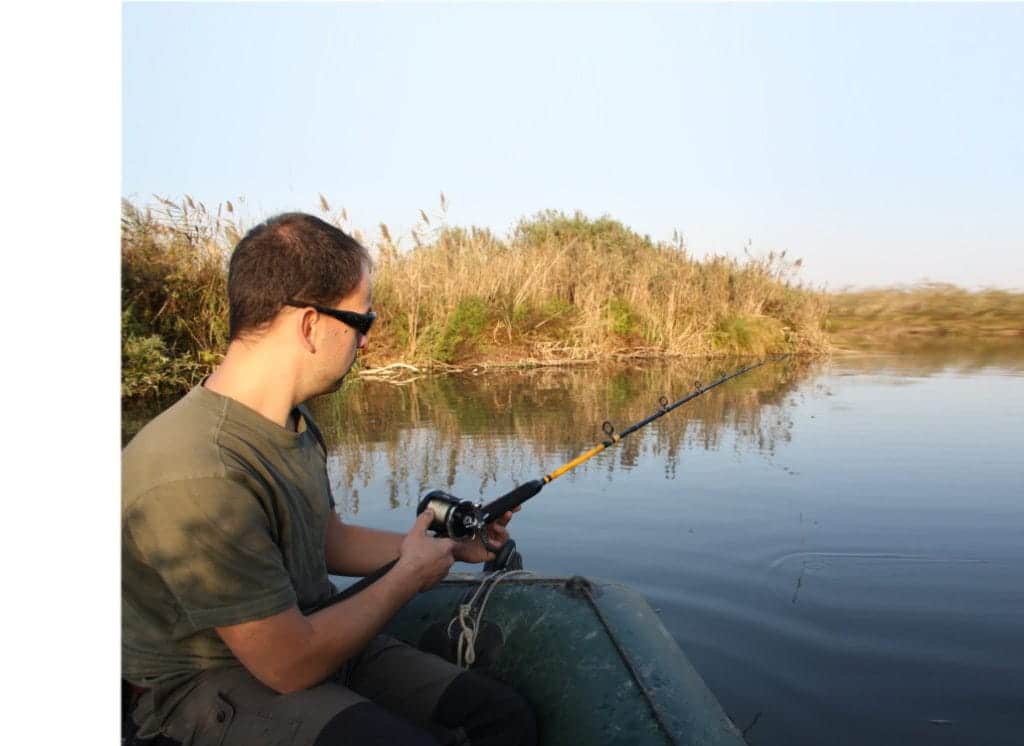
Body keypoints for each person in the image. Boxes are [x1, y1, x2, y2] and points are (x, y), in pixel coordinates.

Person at [122, 212, 536, 746]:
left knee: (501, 717)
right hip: (208, 683)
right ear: (310, 325)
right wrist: (407, 577)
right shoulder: (200, 469)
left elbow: (327, 539)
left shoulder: (290, 420)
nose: (364, 342)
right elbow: (286, 665)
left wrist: (453, 547)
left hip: (310, 632)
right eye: (362, 322)